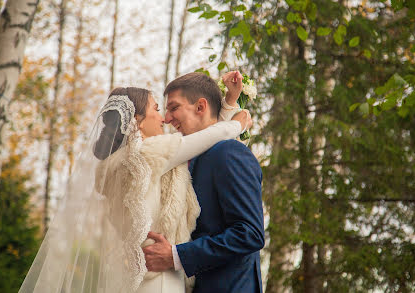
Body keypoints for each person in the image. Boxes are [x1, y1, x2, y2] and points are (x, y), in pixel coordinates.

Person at [19, 79, 251, 293]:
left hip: (140, 277)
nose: (164, 119)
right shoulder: (147, 155)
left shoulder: (115, 166)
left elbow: (201, 139)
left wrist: (229, 102)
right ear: (137, 120)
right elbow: (206, 138)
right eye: (157, 109)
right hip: (161, 279)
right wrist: (235, 123)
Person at [143, 72, 265, 293]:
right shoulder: (188, 158)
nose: (167, 118)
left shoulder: (230, 152)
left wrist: (176, 256)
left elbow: (249, 232)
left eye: (173, 108)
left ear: (200, 107)